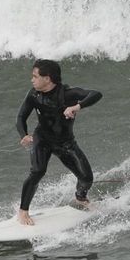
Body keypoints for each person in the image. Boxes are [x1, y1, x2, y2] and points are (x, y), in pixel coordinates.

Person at [15, 59, 102, 225]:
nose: (32, 80)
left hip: (65, 143)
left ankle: (80, 198)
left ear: (47, 78)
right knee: (37, 171)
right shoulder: (34, 94)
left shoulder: (67, 94)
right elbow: (21, 117)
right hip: (42, 139)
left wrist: (77, 107)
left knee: (86, 179)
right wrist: (23, 135)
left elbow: (96, 94)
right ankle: (23, 211)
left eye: (35, 76)